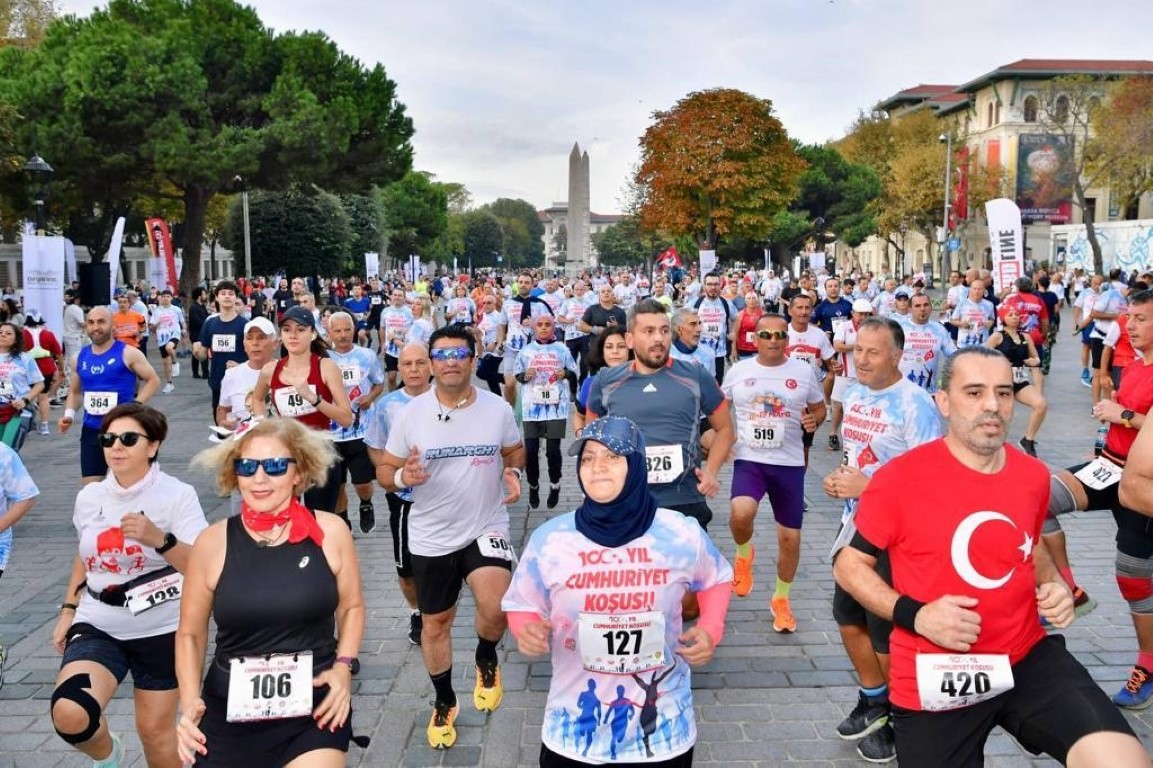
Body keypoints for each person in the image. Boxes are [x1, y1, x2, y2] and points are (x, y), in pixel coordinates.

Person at [833, 347, 1148, 768]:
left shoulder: (1032, 475)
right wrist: (916, 615)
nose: (991, 406)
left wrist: (1051, 583)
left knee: (1123, 760)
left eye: (1002, 393)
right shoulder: (898, 479)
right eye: (974, 392)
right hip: (935, 674)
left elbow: (1028, 544)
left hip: (1024, 658)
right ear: (943, 402)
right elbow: (849, 566)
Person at [503, 416, 733, 767]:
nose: (597, 468)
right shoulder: (551, 540)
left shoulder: (679, 533)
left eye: (612, 457)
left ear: (637, 466)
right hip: (574, 736)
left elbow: (716, 577)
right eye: (588, 458)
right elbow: (521, 602)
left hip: (663, 735)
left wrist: (711, 628)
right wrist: (526, 629)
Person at [177, 418, 366, 766]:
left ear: (299, 473)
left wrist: (343, 666)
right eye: (247, 467)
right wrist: (190, 703)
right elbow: (189, 632)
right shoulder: (213, 542)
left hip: (314, 708)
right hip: (228, 712)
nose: (259, 478)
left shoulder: (331, 531)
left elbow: (352, 607)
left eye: (276, 466)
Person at [376, 324, 525, 749]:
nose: (451, 362)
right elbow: (385, 470)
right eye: (441, 355)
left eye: (460, 353)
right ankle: (444, 700)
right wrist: (404, 475)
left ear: (474, 360)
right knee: (435, 623)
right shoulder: (411, 414)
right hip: (431, 535)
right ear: (433, 364)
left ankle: (485, 655)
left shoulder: (496, 409)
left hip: (486, 524)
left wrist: (512, 471)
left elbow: (513, 450)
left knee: (497, 607)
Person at [50, 404, 207, 768]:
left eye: (128, 439)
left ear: (152, 446)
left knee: (155, 733)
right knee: (71, 713)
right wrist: (68, 610)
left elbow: (201, 566)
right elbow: (84, 555)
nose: (116, 447)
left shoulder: (177, 495)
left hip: (163, 627)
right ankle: (108, 756)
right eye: (108, 439)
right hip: (99, 622)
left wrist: (159, 539)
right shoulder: (90, 497)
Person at [822, 317, 943, 762]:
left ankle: (900, 715)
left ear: (897, 355)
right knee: (845, 614)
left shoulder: (915, 404)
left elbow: (935, 483)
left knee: (883, 629)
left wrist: (868, 488)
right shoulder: (853, 393)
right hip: (856, 526)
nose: (863, 359)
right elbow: (860, 459)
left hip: (898, 535)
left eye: (875, 352)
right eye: (858, 350)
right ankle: (874, 699)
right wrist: (840, 482)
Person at [587, 300, 734, 620]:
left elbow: (725, 430)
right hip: (626, 503)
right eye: (649, 331)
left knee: (690, 604)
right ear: (630, 339)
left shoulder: (694, 375)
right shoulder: (607, 381)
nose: (658, 338)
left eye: (664, 330)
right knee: (630, 593)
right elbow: (592, 435)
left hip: (682, 499)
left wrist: (710, 471)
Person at [1043, 289, 1153, 704]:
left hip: (1142, 483)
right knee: (1037, 499)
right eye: (1131, 317)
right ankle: (1069, 587)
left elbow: (1137, 422)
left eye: (1142, 318)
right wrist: (1107, 429)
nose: (1131, 325)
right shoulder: (1135, 365)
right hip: (1108, 465)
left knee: (1133, 579)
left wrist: (1122, 415)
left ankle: (1148, 664)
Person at [723, 314, 825, 633]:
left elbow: (819, 408)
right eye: (765, 334)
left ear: (787, 340)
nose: (773, 339)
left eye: (780, 335)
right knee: (741, 514)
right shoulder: (739, 371)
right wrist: (721, 437)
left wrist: (815, 421)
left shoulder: (803, 372)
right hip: (750, 460)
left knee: (790, 539)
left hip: (790, 463)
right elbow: (719, 407)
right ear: (754, 338)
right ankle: (744, 555)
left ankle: (781, 599)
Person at [250, 306, 354, 516]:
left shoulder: (325, 366)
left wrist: (313, 398)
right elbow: (257, 399)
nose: (293, 335)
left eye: (300, 329)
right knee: (285, 518)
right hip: (286, 453)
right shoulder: (271, 369)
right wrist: (263, 424)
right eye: (287, 330)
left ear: (313, 333)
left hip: (319, 452)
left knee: (319, 520)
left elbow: (346, 418)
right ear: (281, 336)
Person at [366, 342, 432, 646]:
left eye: (420, 363)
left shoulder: (445, 400)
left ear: (431, 366)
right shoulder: (386, 405)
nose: (414, 370)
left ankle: (438, 610)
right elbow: (375, 446)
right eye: (408, 364)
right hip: (403, 498)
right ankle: (418, 611)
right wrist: (393, 477)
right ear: (399, 369)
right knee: (406, 568)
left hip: (445, 496)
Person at [61, 308, 161, 483]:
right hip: (92, 430)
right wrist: (68, 415)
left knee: (127, 484)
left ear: (113, 325)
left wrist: (135, 406)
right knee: (92, 488)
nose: (96, 327)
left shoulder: (128, 353)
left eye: (101, 322)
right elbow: (75, 392)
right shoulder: (79, 358)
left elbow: (153, 380)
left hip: (124, 431)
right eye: (91, 322)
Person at [325, 311, 386, 532]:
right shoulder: (323, 358)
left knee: (362, 483)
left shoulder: (367, 356)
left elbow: (379, 383)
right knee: (338, 484)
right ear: (329, 332)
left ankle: (366, 504)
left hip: (360, 431)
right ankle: (343, 522)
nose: (342, 335)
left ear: (354, 330)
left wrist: (369, 398)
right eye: (337, 330)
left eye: (347, 330)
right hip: (331, 433)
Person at [516, 313, 579, 509]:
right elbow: (517, 375)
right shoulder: (526, 351)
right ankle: (533, 486)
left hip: (555, 407)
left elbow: (574, 372)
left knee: (552, 451)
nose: (544, 328)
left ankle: (555, 484)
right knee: (532, 451)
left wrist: (566, 373)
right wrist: (525, 376)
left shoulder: (562, 350)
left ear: (554, 327)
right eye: (540, 325)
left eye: (548, 325)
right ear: (534, 328)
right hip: (531, 407)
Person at [985, 305, 1046, 457]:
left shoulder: (1026, 336)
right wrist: (999, 360)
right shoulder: (997, 336)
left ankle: (1028, 439)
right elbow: (982, 355)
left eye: (1017, 314)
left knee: (1041, 404)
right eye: (1010, 314)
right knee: (1006, 414)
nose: (1014, 317)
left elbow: (1036, 359)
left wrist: (1032, 361)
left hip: (1020, 379)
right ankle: (995, 445)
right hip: (1002, 382)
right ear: (1003, 318)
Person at [785, 292, 840, 458]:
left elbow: (831, 364)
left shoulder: (818, 335)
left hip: (809, 401)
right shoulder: (782, 332)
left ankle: (797, 482)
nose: (803, 312)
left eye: (807, 308)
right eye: (799, 308)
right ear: (790, 311)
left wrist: (836, 370)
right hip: (784, 397)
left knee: (803, 449)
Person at [194, 282, 249, 422]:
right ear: (216, 298)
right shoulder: (210, 323)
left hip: (240, 382)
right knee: (221, 425)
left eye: (231, 294)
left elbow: (256, 356)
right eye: (223, 293)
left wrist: (241, 366)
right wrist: (197, 352)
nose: (227, 297)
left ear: (235, 298)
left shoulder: (245, 325)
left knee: (242, 425)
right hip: (218, 381)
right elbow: (203, 355)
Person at [503, 272, 556, 410]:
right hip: (512, 348)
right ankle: (511, 411)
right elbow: (501, 325)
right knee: (509, 384)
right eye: (520, 282)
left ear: (532, 285)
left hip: (534, 349)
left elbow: (551, 326)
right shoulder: (508, 303)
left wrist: (535, 323)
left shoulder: (540, 304)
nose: (523, 285)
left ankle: (542, 413)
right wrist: (498, 341)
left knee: (538, 384)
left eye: (526, 282)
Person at [215, 317, 277, 431]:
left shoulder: (287, 372)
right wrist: (225, 424)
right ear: (244, 345)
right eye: (249, 338)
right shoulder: (231, 375)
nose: (255, 343)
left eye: (261, 337)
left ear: (275, 343)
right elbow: (222, 410)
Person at [573, 326, 629, 438]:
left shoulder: (643, 380)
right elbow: (580, 416)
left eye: (621, 346)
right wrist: (581, 433)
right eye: (609, 347)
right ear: (602, 352)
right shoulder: (590, 383)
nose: (615, 351)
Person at [898, 294, 956, 393]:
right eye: (917, 306)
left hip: (929, 392)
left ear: (931, 307)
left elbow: (954, 355)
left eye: (926, 305)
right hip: (902, 391)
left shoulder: (939, 329)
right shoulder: (900, 328)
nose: (922, 309)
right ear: (910, 309)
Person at [0, 321, 45, 450]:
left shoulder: (24, 359)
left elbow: (39, 384)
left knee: (8, 450)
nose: (3, 335)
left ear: (16, 339)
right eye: (0, 332)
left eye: (8, 333)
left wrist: (25, 400)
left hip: (18, 411)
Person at [693, 272, 736, 384]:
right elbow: (682, 320)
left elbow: (736, 318)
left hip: (719, 353)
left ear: (720, 285)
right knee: (700, 384)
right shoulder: (696, 303)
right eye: (710, 284)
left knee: (717, 384)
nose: (713, 287)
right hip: (700, 353)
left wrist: (732, 332)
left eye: (716, 284)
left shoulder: (726, 303)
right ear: (704, 285)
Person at [150, 289, 186, 394]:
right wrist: (157, 323)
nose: (165, 298)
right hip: (161, 337)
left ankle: (175, 362)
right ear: (160, 298)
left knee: (169, 347)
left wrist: (184, 329)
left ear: (171, 298)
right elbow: (152, 328)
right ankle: (170, 383)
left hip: (174, 334)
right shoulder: (156, 311)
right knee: (166, 362)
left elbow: (182, 322)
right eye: (164, 296)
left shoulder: (176, 309)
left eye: (168, 296)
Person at [380, 288, 415, 391]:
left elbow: (414, 329)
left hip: (405, 349)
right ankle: (393, 398)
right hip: (390, 349)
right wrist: (382, 344)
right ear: (391, 297)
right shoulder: (385, 311)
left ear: (404, 298)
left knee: (407, 377)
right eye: (394, 295)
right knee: (391, 377)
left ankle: (407, 397)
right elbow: (382, 328)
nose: (397, 297)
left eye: (399, 295)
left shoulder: (409, 312)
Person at [732, 290, 765, 361]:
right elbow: (735, 333)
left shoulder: (763, 314)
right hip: (744, 348)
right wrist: (734, 349)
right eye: (749, 298)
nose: (751, 301)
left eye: (753, 298)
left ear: (757, 300)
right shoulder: (740, 315)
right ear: (745, 301)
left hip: (758, 348)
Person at [187, 288, 210, 380]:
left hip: (202, 333)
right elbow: (196, 321)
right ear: (199, 296)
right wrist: (207, 323)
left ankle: (198, 372)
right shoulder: (193, 307)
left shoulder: (202, 307)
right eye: (204, 294)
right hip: (196, 334)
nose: (206, 296)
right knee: (200, 352)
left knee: (197, 352)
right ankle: (203, 373)